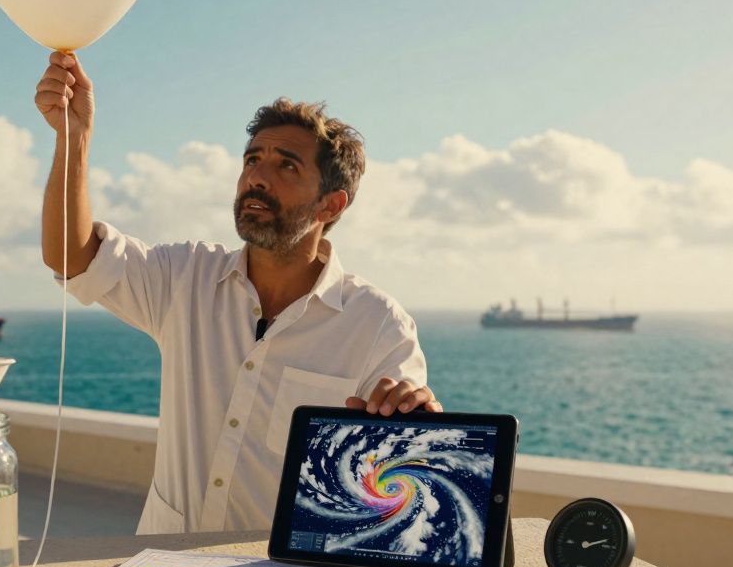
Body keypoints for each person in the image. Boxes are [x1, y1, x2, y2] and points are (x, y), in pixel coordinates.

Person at [36, 51, 439, 534]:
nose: (257, 177)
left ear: (330, 204)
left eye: (286, 166)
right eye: (252, 160)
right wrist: (74, 138)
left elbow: (402, 460)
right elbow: (70, 254)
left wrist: (411, 413)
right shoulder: (185, 278)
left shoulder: (377, 323)